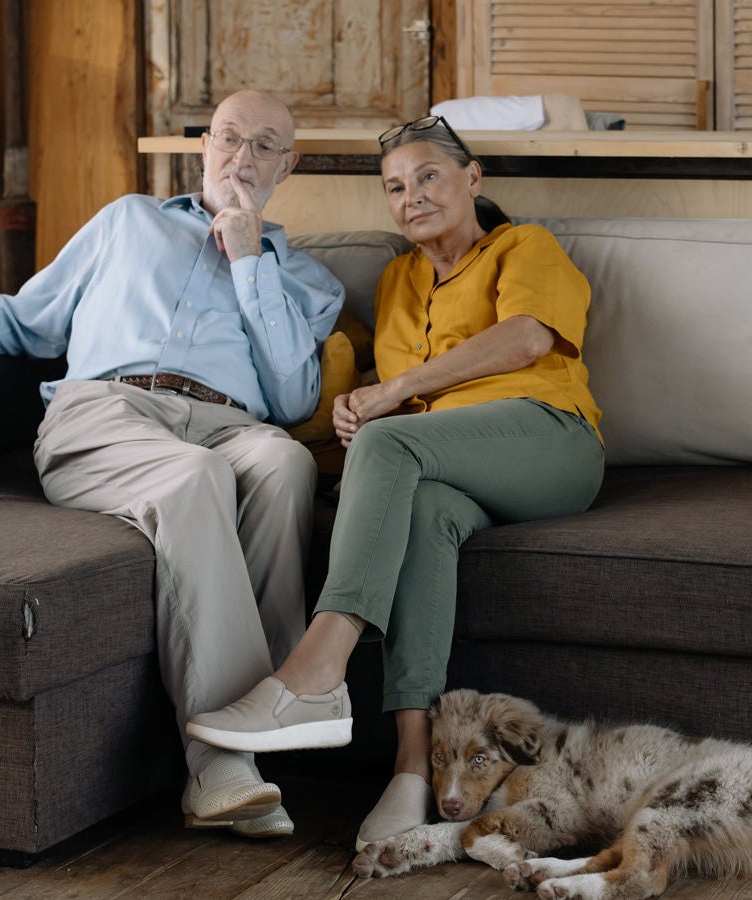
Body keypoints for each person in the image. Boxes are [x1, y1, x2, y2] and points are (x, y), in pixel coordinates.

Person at [0, 90, 346, 838]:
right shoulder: (128, 221)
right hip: (108, 413)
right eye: (228, 138)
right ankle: (216, 761)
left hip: (229, 421)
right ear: (203, 147)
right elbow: (27, 318)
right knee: (195, 479)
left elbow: (290, 397)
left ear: (289, 164)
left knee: (283, 464)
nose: (240, 158)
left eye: (262, 146)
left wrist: (251, 259)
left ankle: (272, 709)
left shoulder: (309, 281)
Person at [186, 115, 605, 850]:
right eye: (394, 188)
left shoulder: (522, 246)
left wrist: (389, 399)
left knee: (388, 439)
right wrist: (357, 399)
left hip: (549, 438)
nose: (411, 197)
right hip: (451, 466)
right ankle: (413, 769)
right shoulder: (399, 279)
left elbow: (527, 337)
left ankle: (315, 673)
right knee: (425, 517)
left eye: (429, 177)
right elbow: (395, 395)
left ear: (472, 180)